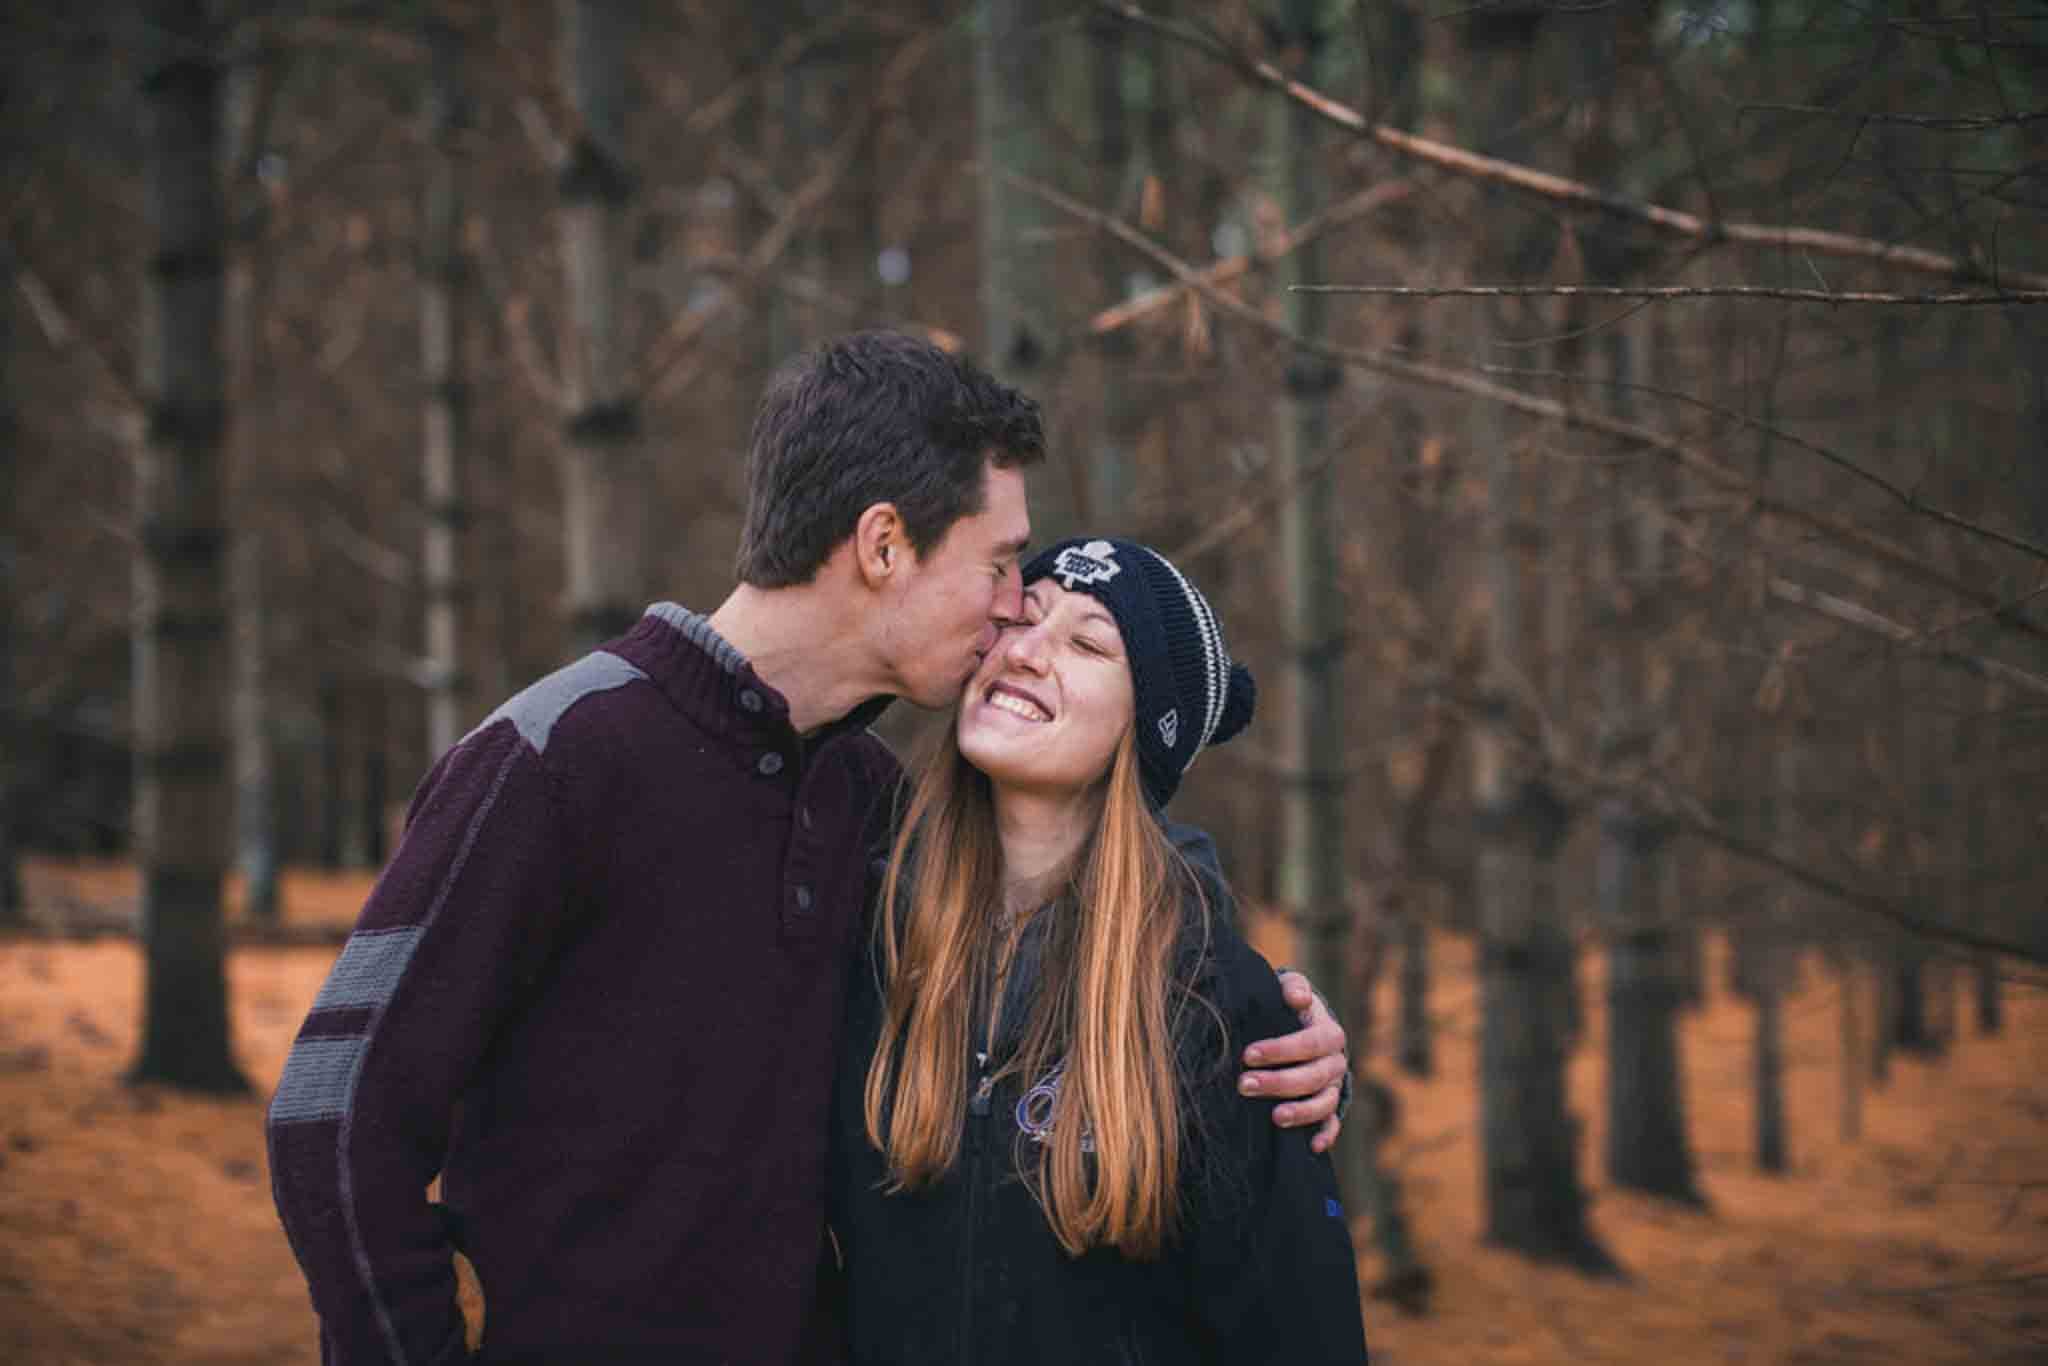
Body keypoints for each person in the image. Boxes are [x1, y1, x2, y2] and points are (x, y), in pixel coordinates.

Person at [266, 331, 1351, 1365]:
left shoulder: (867, 808)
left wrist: (1248, 1001)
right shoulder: (553, 759)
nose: (1015, 606)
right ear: (884, 544)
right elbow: (333, 1113)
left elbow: (1082, 883)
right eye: (1003, 564)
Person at [830, 536, 1369, 1363]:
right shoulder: (864, 939)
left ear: (1143, 731)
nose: (1025, 651)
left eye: (1086, 643)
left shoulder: (1220, 1006)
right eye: (1023, 618)